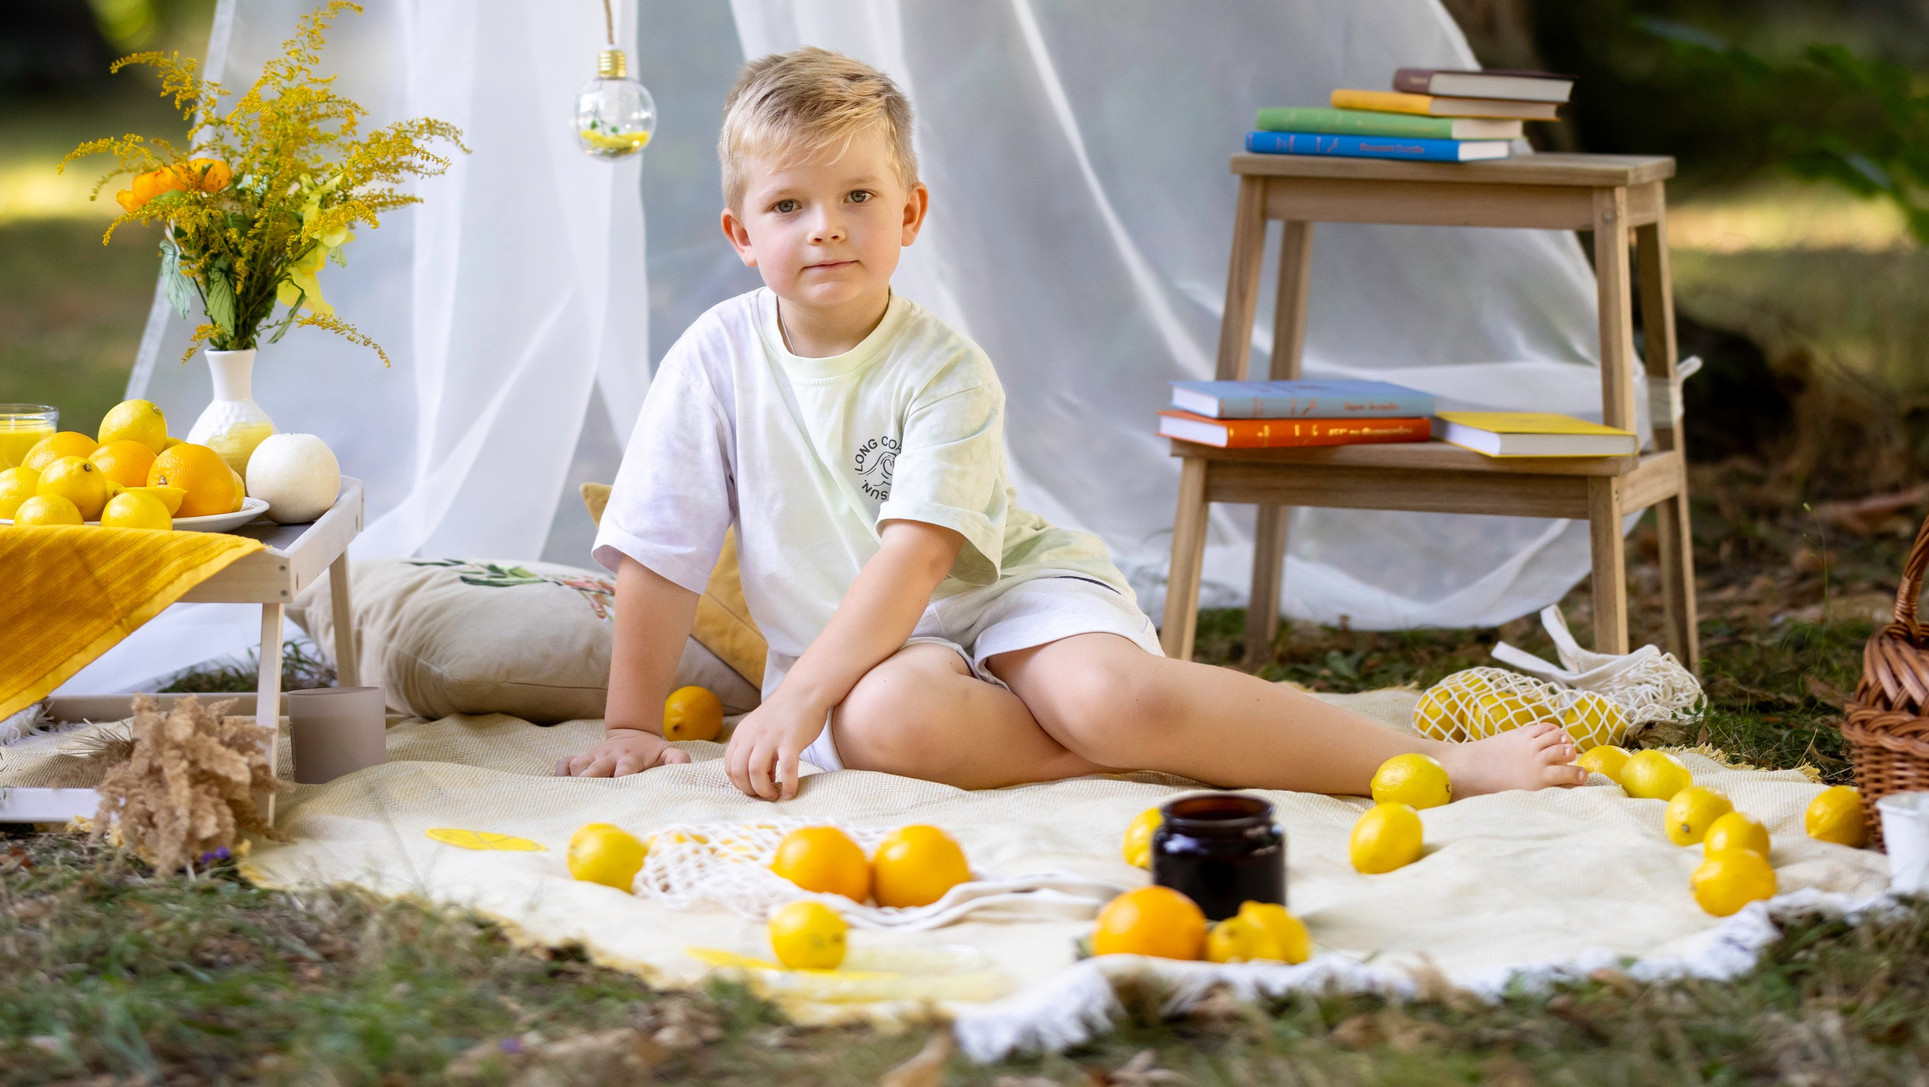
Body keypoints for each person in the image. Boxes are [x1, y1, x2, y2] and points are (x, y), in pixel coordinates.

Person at [558, 49, 1584, 801]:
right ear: (742, 235)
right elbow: (661, 545)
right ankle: (1162, 755)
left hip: (1005, 592)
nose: (824, 224)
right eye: (787, 205)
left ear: (909, 215)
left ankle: (1434, 767)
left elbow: (917, 565)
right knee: (887, 721)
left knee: (1106, 696)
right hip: (864, 660)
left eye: (856, 195)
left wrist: (793, 701)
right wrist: (629, 723)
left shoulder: (944, 370)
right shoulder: (711, 361)